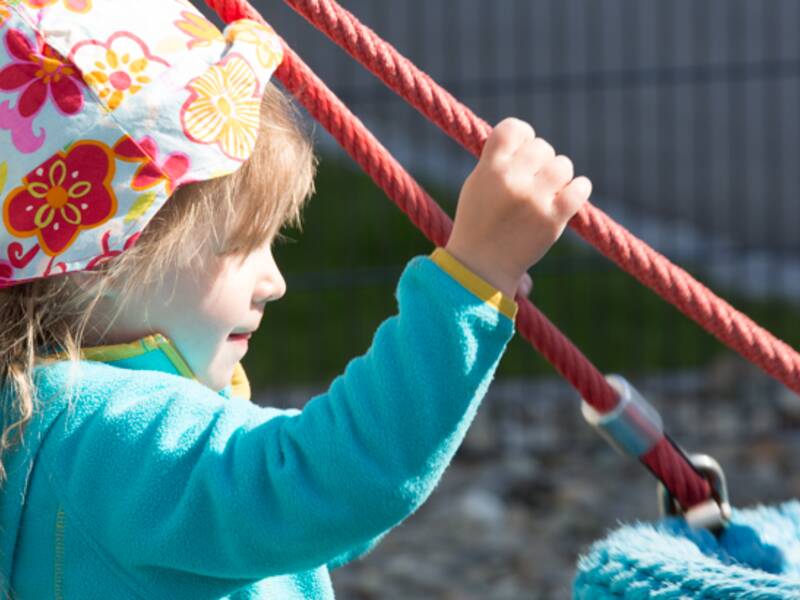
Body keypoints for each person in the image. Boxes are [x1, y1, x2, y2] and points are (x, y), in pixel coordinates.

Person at [0, 0, 591, 597]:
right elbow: (332, 481)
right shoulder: (110, 436)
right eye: (241, 245)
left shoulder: (41, 416)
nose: (274, 281)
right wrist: (474, 274)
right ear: (97, 263)